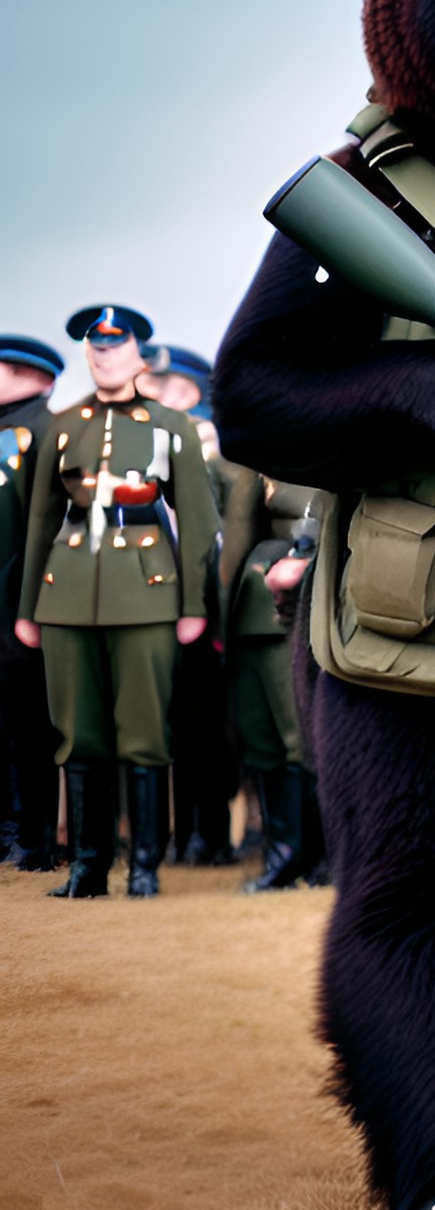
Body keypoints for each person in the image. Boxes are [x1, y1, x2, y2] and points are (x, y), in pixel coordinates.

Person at [15, 306, 220, 897]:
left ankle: (146, 869)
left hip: (148, 590)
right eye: (94, 344)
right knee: (78, 734)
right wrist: (29, 608)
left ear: (138, 353)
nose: (104, 352)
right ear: (87, 353)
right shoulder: (62, 426)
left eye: (116, 342)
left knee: (143, 732)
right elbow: (39, 521)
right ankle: (87, 866)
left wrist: (193, 605)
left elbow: (201, 526)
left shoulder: (171, 425)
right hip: (68, 592)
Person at [139, 341, 239, 866]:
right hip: (152, 605)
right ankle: (181, 836)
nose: (157, 395)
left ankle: (212, 834)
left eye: (169, 386)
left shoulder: (209, 446)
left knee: (207, 727)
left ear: (193, 391)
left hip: (203, 607)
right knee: (171, 725)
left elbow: (220, 536)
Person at [219, 467, 325, 889]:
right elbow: (237, 533)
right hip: (253, 606)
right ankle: (283, 851)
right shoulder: (257, 462)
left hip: (304, 599)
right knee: (261, 735)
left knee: (298, 738)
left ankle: (317, 856)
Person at [0, 335, 65, 869]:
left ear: (31, 374)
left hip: (23, 606)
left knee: (30, 727)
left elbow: (47, 526)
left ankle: (37, 836)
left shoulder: (47, 430)